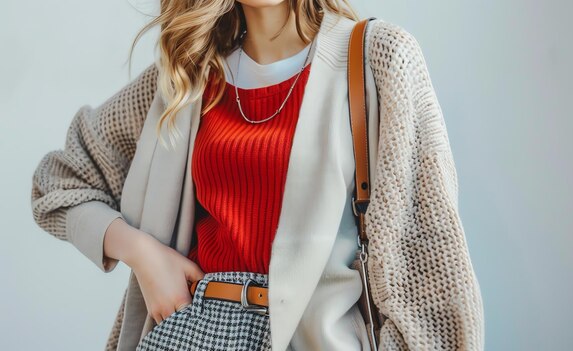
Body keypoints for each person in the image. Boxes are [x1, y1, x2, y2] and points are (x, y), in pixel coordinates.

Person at [30, 0, 485, 350]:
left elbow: (431, 266)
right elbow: (57, 180)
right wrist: (145, 256)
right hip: (191, 331)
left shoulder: (377, 59)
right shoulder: (187, 77)